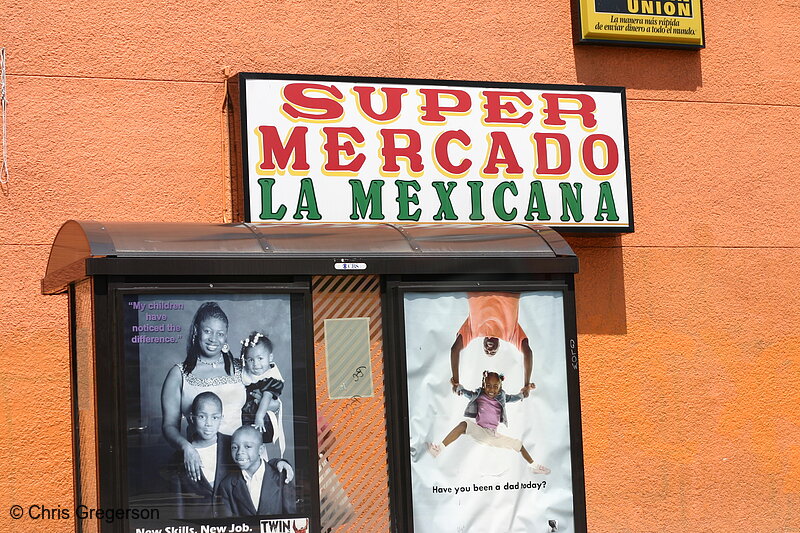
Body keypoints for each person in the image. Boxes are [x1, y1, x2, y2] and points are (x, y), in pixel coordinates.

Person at [162, 301, 247, 483]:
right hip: (201, 463)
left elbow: (268, 395)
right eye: (207, 331)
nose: (213, 339)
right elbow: (169, 426)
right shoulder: (179, 374)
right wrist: (186, 447)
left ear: (226, 337)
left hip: (244, 460)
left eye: (220, 333)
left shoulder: (242, 368)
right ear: (196, 332)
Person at [428, 371, 550, 475]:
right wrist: (457, 387)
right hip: (479, 431)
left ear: (500, 387)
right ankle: (439, 449)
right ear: (483, 385)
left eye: (495, 386)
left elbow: (516, 397)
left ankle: (534, 466)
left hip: (492, 436)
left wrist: (527, 388)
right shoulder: (479, 394)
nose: (491, 389)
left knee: (519, 445)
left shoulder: (502, 396)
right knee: (463, 425)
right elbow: (466, 392)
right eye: (488, 386)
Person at [450, 292, 535, 397]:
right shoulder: (511, 335)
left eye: (486, 351)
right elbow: (528, 352)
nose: (489, 349)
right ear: (499, 344)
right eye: (493, 352)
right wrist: (526, 384)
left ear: (483, 343)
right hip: (509, 289)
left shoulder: (472, 331)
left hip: (479, 287)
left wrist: (456, 382)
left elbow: (454, 349)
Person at [172, 391, 236, 518]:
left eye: (215, 417)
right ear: (192, 417)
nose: (209, 423)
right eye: (202, 416)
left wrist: (278, 462)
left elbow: (256, 464)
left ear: (221, 418)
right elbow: (178, 505)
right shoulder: (179, 456)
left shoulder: (232, 444)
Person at [218, 425, 297, 517]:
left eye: (247, 446)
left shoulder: (282, 477)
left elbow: (292, 517)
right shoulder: (227, 485)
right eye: (234, 447)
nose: (240, 452)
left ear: (261, 450)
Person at [240, 331, 285, 447]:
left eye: (260, 358)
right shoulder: (247, 375)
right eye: (250, 360)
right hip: (246, 417)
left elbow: (266, 397)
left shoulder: (270, 377)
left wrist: (259, 417)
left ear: (270, 357)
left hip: (262, 419)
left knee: (255, 443)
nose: (256, 364)